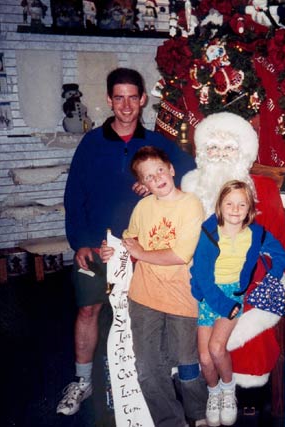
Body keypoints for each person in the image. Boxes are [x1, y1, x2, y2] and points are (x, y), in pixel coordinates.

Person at [58, 67, 196, 417]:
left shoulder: (156, 143)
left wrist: (155, 184)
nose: (126, 105)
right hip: (97, 246)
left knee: (150, 314)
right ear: (109, 100)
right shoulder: (91, 143)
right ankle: (82, 380)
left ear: (143, 99)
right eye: (118, 97)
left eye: (133, 97)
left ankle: (153, 379)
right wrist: (81, 242)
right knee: (88, 309)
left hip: (143, 250)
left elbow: (189, 173)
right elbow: (73, 196)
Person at [100, 146, 207, 426]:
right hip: (143, 297)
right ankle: (170, 422)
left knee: (186, 364)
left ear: (171, 170)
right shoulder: (142, 207)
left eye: (160, 170)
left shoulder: (191, 204)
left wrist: (141, 253)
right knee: (147, 369)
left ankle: (199, 416)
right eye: (148, 176)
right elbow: (128, 242)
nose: (157, 178)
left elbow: (180, 255)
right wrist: (111, 251)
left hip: (182, 297)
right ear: (143, 185)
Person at [190, 180, 285, 426]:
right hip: (209, 295)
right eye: (229, 204)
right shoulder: (209, 232)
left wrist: (272, 277)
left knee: (216, 348)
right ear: (220, 206)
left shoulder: (256, 233)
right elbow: (202, 275)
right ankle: (213, 393)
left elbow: (280, 254)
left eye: (242, 204)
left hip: (234, 294)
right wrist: (221, 305)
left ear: (250, 209)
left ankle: (228, 391)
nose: (235, 210)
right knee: (204, 358)